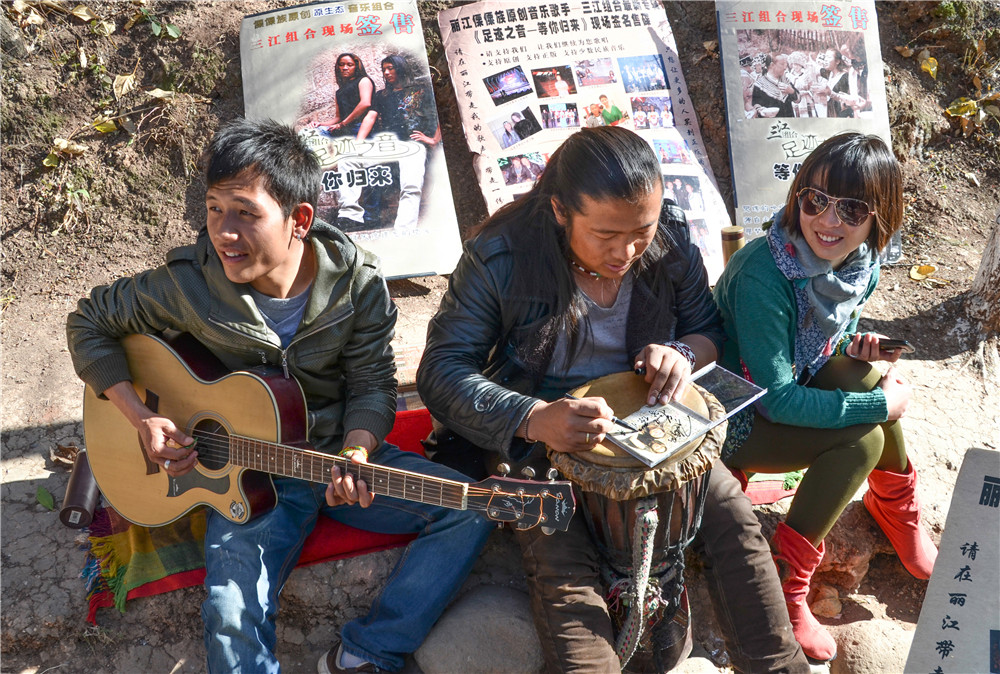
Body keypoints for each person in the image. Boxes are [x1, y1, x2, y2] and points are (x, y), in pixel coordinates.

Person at [66, 119, 494, 674]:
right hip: (241, 476)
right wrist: (140, 414)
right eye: (215, 208)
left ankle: (367, 651)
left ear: (300, 220)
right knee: (231, 613)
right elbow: (89, 321)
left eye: (246, 212)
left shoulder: (358, 284)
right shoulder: (189, 285)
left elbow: (373, 382)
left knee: (469, 510)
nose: (224, 231)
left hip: (337, 455)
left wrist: (359, 450)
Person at [418, 126, 808, 673]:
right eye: (605, 235)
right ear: (559, 211)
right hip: (537, 437)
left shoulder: (667, 233)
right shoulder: (500, 255)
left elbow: (705, 329)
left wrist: (680, 354)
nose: (625, 252)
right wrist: (533, 418)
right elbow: (440, 370)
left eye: (639, 233)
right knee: (564, 569)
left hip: (652, 424)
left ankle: (779, 666)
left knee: (734, 522)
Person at [713, 132, 938, 662]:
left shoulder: (859, 263)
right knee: (862, 437)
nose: (828, 221)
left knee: (862, 378)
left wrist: (856, 346)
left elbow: (825, 338)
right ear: (797, 198)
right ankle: (789, 586)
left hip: (791, 379)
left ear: (877, 219)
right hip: (732, 413)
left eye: (852, 209)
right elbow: (775, 399)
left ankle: (895, 511)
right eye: (815, 200)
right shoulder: (765, 274)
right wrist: (879, 407)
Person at [338, 54, 441, 232]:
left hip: (412, 144)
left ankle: (404, 229)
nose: (386, 73)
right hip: (387, 145)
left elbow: (439, 112)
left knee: (410, 186)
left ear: (401, 68)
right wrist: (358, 143)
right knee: (347, 159)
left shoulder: (421, 90)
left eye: (390, 68)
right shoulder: (382, 95)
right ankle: (350, 214)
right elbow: (370, 116)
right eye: (383, 69)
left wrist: (432, 139)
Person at [311, 53, 374, 137]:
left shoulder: (363, 80)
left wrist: (342, 124)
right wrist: (320, 123)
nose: (345, 68)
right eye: (341, 65)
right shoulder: (339, 92)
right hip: (345, 129)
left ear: (356, 67)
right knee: (309, 133)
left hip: (361, 128)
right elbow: (338, 118)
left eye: (350, 65)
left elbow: (365, 103)